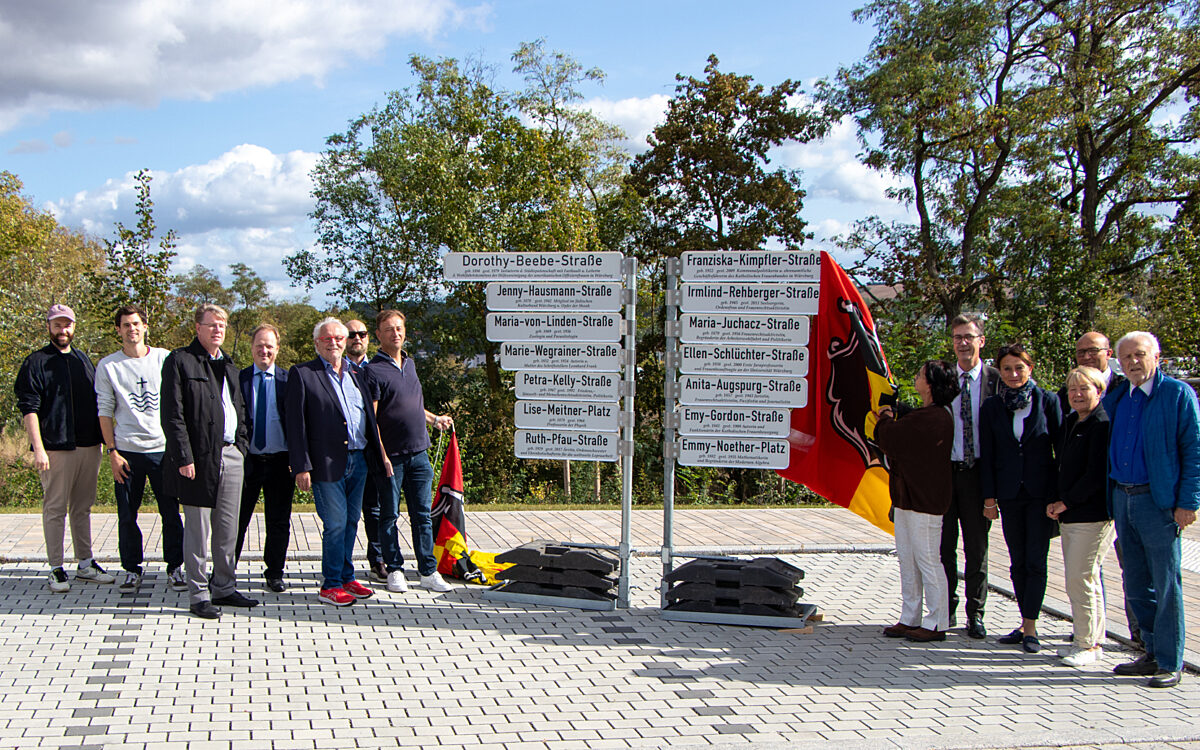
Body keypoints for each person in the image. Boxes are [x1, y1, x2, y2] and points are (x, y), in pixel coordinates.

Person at [1104, 331, 1199, 688]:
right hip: (1123, 497)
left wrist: (1188, 503)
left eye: (1139, 355)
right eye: (1126, 357)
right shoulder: (1119, 397)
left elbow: (1193, 450)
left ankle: (1171, 661)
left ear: (1156, 357)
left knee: (1166, 582)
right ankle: (1151, 651)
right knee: (1136, 581)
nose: (1132, 362)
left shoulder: (1176, 395)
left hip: (1157, 502)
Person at [161, 304, 258, 619]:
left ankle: (225, 587)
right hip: (199, 458)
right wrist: (184, 456)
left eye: (223, 325)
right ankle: (199, 594)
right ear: (198, 327)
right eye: (212, 324)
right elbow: (172, 415)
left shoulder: (229, 365)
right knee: (198, 530)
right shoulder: (180, 361)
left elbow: (239, 411)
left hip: (231, 455)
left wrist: (241, 446)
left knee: (228, 528)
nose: (218, 329)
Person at [286, 317, 386, 606]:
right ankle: (330, 584)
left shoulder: (357, 373)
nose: (335, 343)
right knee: (336, 523)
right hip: (325, 463)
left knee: (352, 520)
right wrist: (300, 465)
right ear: (317, 342)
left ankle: (346, 576)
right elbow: (295, 425)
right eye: (328, 339)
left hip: (359, 460)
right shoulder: (303, 374)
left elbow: (368, 416)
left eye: (339, 338)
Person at [15, 304, 114, 592]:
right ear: (49, 327)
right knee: (55, 508)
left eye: (67, 325)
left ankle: (85, 563)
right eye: (57, 325)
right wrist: (39, 448)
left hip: (88, 445)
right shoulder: (36, 362)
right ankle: (56, 568)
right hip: (56, 447)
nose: (63, 330)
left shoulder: (83, 360)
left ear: (74, 326)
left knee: (82, 508)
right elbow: (29, 408)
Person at [94, 304, 185, 592]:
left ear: (145, 326)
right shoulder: (108, 366)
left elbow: (178, 402)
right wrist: (112, 452)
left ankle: (175, 567)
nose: (131, 329)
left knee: (170, 512)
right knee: (126, 514)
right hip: (127, 452)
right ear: (118, 330)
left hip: (162, 450)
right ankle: (132, 568)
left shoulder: (164, 358)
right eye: (125, 325)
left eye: (136, 323)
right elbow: (105, 411)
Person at [980, 343, 1063, 654]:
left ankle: (1031, 627)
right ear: (999, 372)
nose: (1013, 374)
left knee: (1035, 561)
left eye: (1019, 368)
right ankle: (1023, 621)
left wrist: (1058, 496)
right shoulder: (991, 407)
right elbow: (988, 455)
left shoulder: (1049, 401)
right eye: (1007, 369)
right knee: (1016, 563)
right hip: (1010, 494)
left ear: (1030, 368)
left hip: (1041, 495)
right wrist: (989, 498)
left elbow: (1061, 451)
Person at [367, 310, 455, 594]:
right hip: (391, 457)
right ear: (378, 335)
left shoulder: (411, 364)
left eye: (400, 328)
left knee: (422, 515)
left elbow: (413, 406)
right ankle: (394, 569)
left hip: (419, 453)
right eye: (389, 329)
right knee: (389, 515)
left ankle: (428, 570)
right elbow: (372, 419)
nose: (396, 333)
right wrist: (382, 455)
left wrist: (434, 420)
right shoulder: (373, 370)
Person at [874, 360, 960, 642]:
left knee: (928, 560)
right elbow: (910, 425)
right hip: (907, 498)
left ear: (932, 384)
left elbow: (893, 438)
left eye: (921, 375)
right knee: (908, 559)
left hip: (925, 501)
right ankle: (910, 616)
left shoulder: (935, 417)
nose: (916, 377)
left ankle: (937, 622)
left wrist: (885, 417)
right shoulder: (927, 414)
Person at [1048, 366, 1114, 667]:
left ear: (1098, 391)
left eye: (1084, 389)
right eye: (1072, 389)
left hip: (1091, 514)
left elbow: (1096, 474)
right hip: (1072, 515)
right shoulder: (1073, 421)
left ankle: (1087, 645)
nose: (1077, 394)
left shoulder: (1102, 424)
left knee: (1080, 579)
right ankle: (1089, 638)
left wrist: (1066, 501)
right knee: (1085, 579)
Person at [941, 313, 1000, 639]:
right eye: (957, 337)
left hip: (979, 474)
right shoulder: (944, 379)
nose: (963, 343)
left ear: (981, 341)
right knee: (944, 547)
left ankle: (975, 614)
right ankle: (945, 609)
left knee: (977, 549)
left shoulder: (996, 379)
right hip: (946, 474)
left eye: (968, 337)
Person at [235, 324, 294, 593]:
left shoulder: (288, 380)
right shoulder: (238, 379)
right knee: (236, 519)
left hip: (281, 461)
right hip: (247, 460)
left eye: (269, 345)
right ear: (252, 347)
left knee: (278, 520)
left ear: (277, 349)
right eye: (259, 345)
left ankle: (274, 572)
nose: (264, 350)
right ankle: (225, 571)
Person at [343, 317, 386, 583]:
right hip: (347, 451)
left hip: (376, 449)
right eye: (351, 334)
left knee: (375, 510)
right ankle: (342, 564)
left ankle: (377, 559)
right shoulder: (337, 369)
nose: (357, 338)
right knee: (346, 514)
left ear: (369, 338)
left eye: (362, 333)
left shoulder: (379, 368)